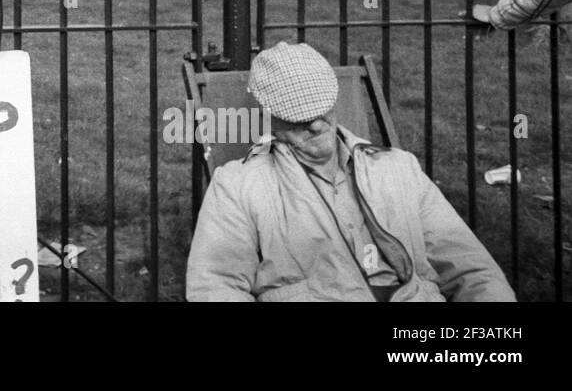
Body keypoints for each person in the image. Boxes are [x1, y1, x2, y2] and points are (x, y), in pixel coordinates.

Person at [186, 41, 515, 302]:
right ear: (269, 116)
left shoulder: (399, 168)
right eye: (298, 116)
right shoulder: (238, 185)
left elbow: (472, 270)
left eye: (320, 108)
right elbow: (216, 287)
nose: (315, 123)